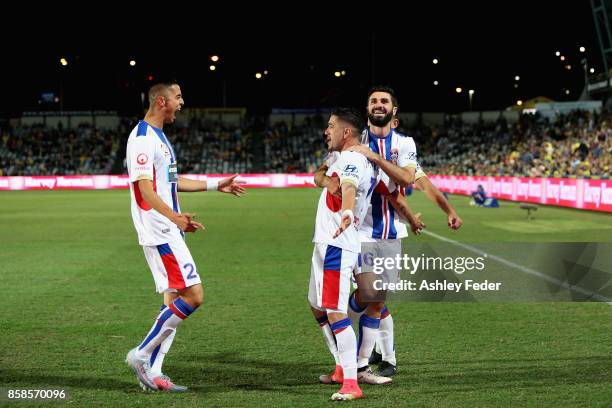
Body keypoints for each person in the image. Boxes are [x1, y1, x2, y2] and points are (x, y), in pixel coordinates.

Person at [124, 80, 245, 392]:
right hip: (161, 230)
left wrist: (218, 185)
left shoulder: (159, 137)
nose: (182, 102)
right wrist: (174, 217)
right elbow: (144, 189)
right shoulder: (141, 138)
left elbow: (172, 183)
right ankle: (141, 354)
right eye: (177, 97)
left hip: (167, 227)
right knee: (194, 295)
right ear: (161, 101)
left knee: (174, 301)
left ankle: (154, 373)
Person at [315, 86, 421, 382]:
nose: (378, 104)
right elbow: (319, 175)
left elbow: (404, 182)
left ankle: (362, 363)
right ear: (366, 109)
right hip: (355, 233)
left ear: (393, 110)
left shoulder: (403, 143)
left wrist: (373, 156)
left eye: (384, 101)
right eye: (373, 100)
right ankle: (353, 364)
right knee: (355, 298)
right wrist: (329, 184)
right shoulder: (347, 142)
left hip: (388, 233)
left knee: (375, 299)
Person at [309, 107, 376, 401]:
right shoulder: (340, 156)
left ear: (346, 132)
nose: (327, 131)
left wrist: (347, 210)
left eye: (331, 126)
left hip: (337, 243)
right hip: (325, 241)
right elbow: (319, 176)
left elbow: (347, 186)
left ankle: (351, 383)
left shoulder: (352, 159)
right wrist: (325, 180)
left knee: (335, 311)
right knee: (317, 305)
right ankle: (341, 366)